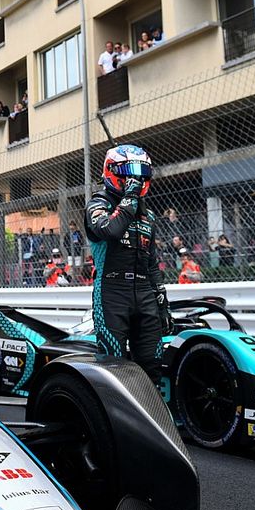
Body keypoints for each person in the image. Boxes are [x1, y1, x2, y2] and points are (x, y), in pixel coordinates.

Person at [85, 144, 172, 378]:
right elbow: (111, 230)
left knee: (153, 365)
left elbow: (151, 263)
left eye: (142, 174)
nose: (137, 180)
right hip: (111, 291)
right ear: (112, 170)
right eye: (130, 173)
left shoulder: (149, 215)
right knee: (114, 365)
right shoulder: (98, 205)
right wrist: (130, 197)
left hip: (144, 292)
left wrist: (162, 304)